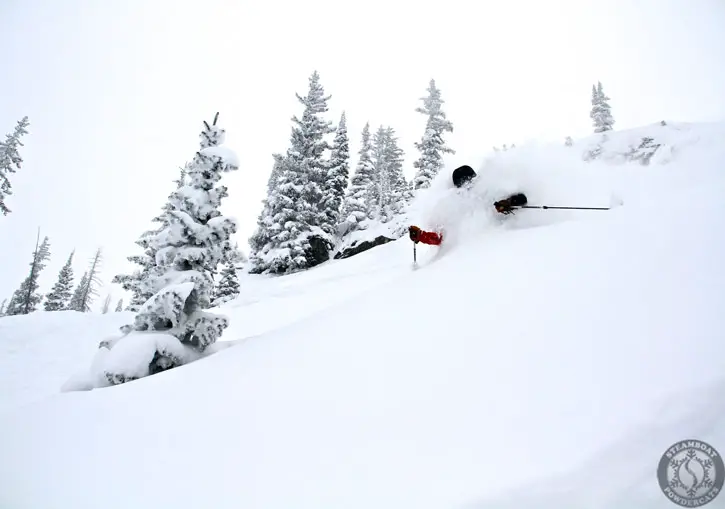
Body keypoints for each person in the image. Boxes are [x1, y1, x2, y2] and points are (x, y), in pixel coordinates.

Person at [408, 165, 528, 246]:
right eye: (463, 184)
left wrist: (510, 202)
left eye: (470, 181)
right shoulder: (456, 206)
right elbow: (441, 238)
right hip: (473, 254)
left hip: (505, 242)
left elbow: (522, 199)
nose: (468, 185)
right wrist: (421, 236)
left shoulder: (490, 189)